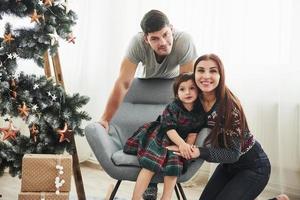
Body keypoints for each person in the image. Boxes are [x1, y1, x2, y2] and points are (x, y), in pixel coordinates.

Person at [98, 9, 197, 199]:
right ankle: (147, 184)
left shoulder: (184, 41)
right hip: (147, 82)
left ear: (172, 29)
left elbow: (187, 86)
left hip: (174, 86)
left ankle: (161, 191)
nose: (163, 42)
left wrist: (187, 133)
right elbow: (123, 82)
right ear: (146, 39)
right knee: (154, 135)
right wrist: (105, 118)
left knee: (168, 132)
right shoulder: (136, 44)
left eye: (166, 35)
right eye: (155, 38)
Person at [172, 53, 271, 200]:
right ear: (194, 74)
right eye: (200, 70)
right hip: (227, 167)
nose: (206, 76)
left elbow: (232, 154)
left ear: (220, 75)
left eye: (213, 71)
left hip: (253, 166)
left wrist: (199, 152)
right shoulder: (194, 99)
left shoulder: (229, 108)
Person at [123, 73, 204, 200]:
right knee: (151, 162)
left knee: (175, 163)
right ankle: (136, 197)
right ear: (177, 93)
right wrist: (181, 144)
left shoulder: (199, 113)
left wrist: (186, 149)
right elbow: (169, 129)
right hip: (161, 135)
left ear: (199, 91)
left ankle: (166, 197)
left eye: (192, 88)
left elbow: (192, 134)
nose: (187, 92)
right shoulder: (173, 107)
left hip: (178, 142)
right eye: (182, 89)